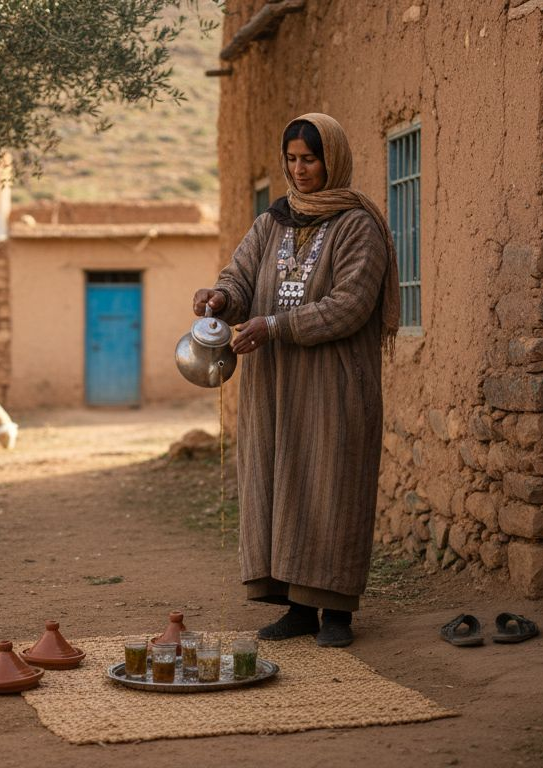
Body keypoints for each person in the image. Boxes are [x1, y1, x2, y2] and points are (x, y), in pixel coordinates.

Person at [192, 113, 399, 647]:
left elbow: (350, 305)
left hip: (333, 385)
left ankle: (336, 614)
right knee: (278, 483)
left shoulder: (358, 225)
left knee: (330, 485)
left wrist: (276, 325)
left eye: (310, 158)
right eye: (292, 159)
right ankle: (295, 607)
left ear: (332, 159)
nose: (300, 170)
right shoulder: (272, 222)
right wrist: (220, 299)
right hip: (274, 385)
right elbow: (240, 276)